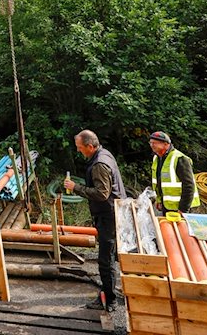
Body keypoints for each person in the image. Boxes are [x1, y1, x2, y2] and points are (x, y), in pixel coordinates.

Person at [63, 129, 126, 312]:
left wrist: (76, 188)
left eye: (80, 147)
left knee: (105, 260)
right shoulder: (104, 154)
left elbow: (101, 193)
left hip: (108, 216)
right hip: (110, 213)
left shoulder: (99, 164)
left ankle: (110, 300)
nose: (79, 151)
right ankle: (109, 292)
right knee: (110, 256)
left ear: (90, 146)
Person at [149, 131, 200, 215]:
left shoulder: (180, 158)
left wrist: (183, 209)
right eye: (150, 143)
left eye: (155, 143)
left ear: (166, 144)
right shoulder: (157, 158)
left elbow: (189, 185)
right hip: (167, 206)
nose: (152, 145)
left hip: (181, 207)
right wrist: (159, 200)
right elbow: (159, 182)